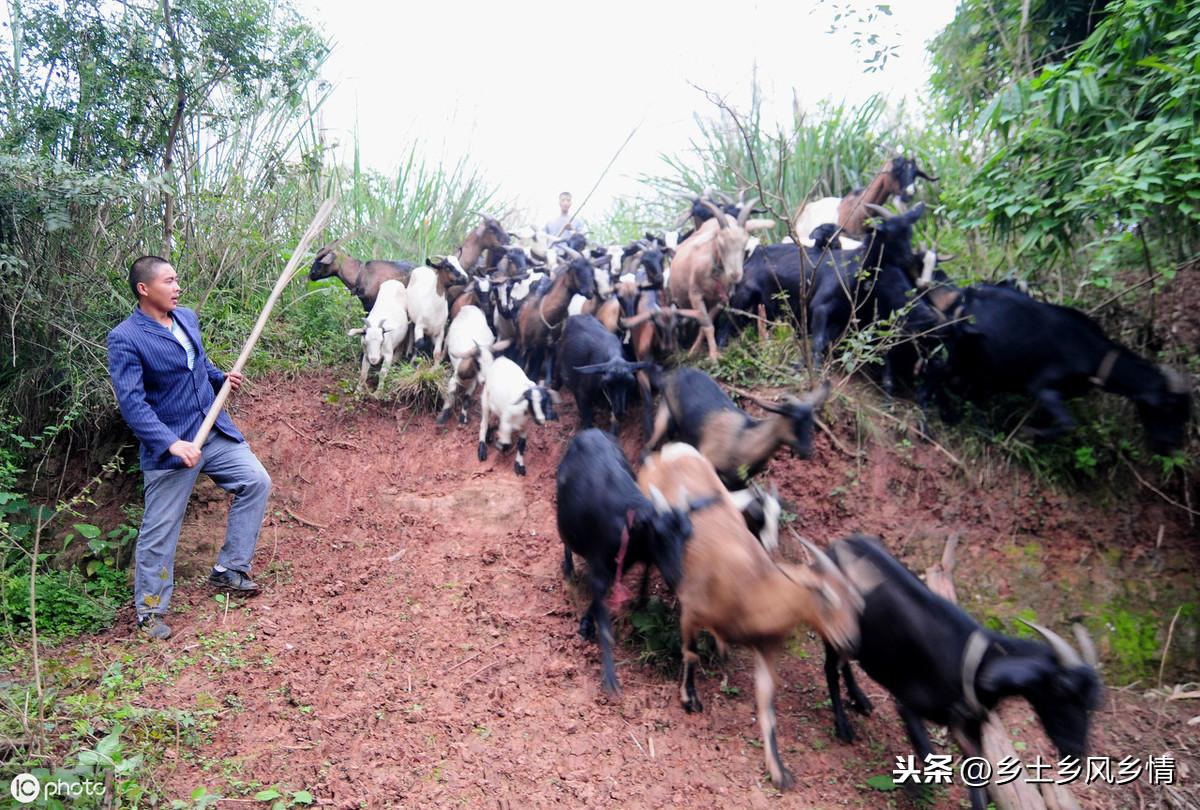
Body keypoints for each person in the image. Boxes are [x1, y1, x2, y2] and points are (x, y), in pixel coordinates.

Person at [107, 255, 272, 640]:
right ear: (144, 289)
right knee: (161, 528)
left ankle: (229, 569)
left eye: (177, 280)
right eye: (169, 281)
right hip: (171, 446)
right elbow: (132, 404)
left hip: (211, 430)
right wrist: (170, 442)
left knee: (255, 481)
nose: (177, 287)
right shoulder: (126, 338)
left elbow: (198, 364)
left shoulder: (187, 318)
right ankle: (150, 610)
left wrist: (220, 377)